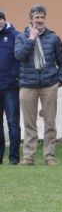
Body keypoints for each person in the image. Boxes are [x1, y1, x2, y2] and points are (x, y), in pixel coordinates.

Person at [15, 4, 62, 166]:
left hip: (49, 85)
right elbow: (19, 56)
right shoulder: (21, 37)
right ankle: (28, 157)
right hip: (27, 85)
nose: (39, 21)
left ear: (45, 19)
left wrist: (59, 81)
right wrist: (31, 38)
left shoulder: (53, 38)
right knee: (29, 124)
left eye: (42, 17)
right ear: (30, 19)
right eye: (36, 17)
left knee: (50, 123)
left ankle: (49, 157)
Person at [0, 9, 21, 165]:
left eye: (0, 19)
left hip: (11, 87)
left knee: (13, 123)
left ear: (4, 20)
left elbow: (22, 57)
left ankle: (14, 158)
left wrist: (18, 77)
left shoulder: (15, 35)